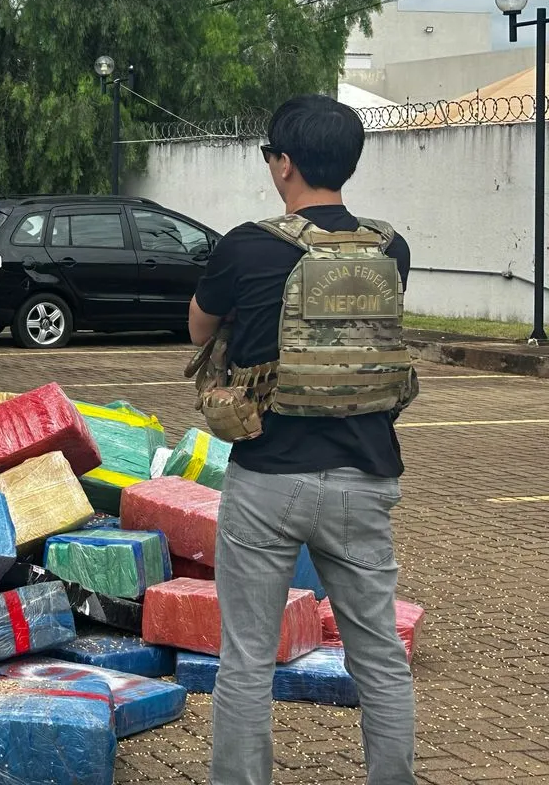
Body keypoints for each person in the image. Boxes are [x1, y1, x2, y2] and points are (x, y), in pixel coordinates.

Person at [189, 94, 417, 785]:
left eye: (270, 156)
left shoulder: (248, 244)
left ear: (284, 164)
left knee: (249, 660)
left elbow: (200, 330)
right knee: (378, 656)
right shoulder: (390, 248)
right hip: (364, 476)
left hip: (266, 476)